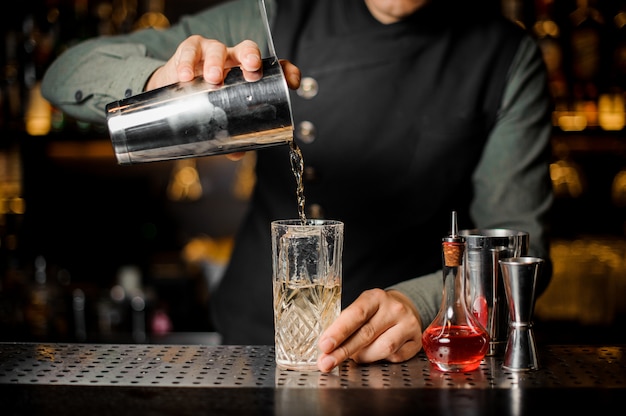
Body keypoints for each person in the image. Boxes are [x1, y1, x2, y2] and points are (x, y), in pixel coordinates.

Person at [41, 0, 554, 373]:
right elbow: (64, 74)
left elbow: (521, 243)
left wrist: (422, 303)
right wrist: (163, 82)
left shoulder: (506, 58)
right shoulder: (275, 15)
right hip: (252, 353)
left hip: (406, 361)